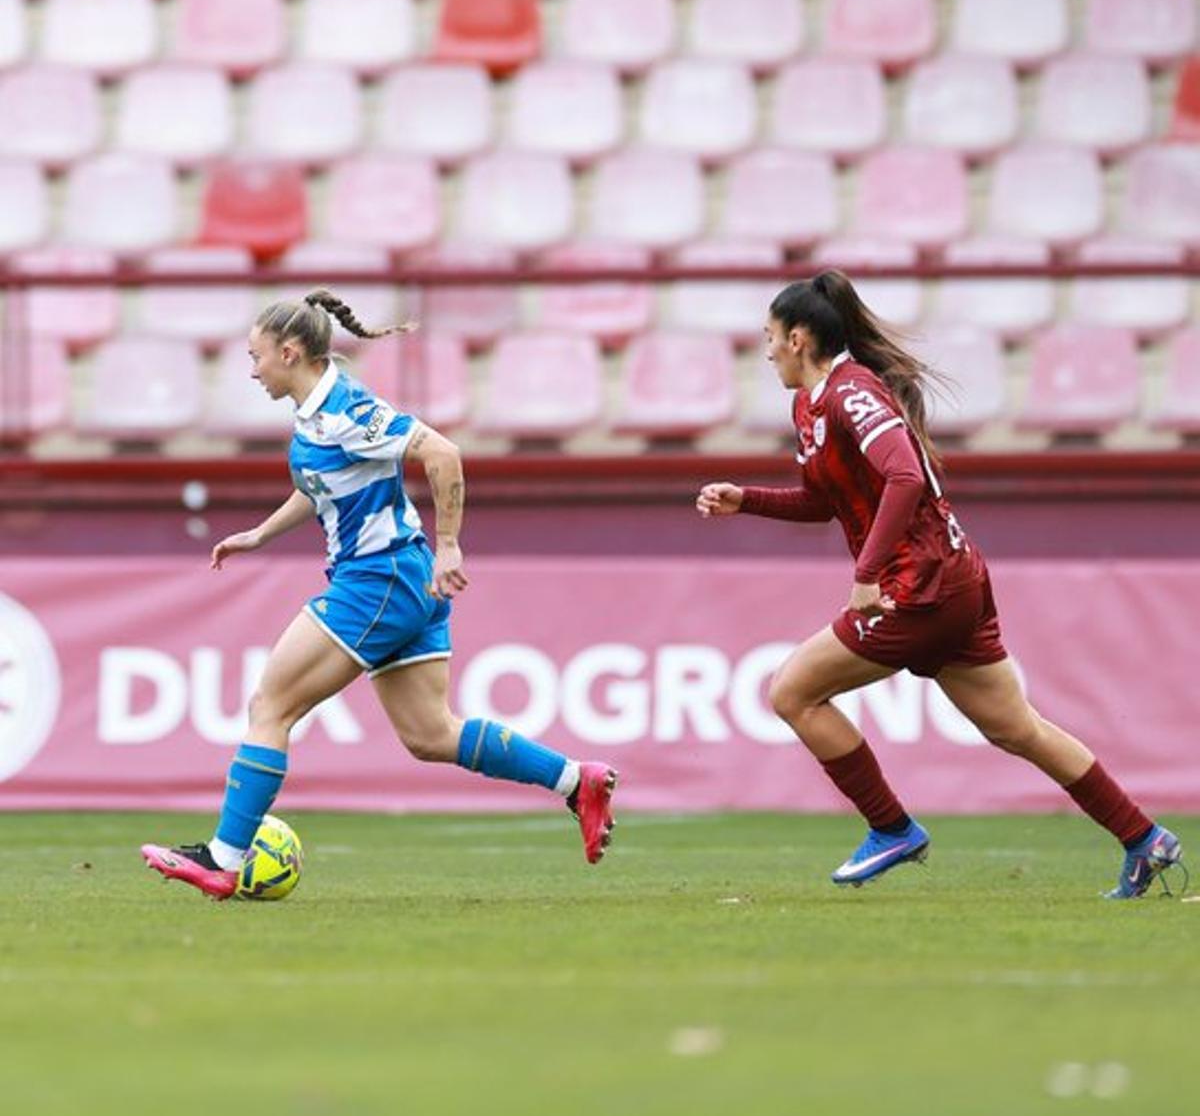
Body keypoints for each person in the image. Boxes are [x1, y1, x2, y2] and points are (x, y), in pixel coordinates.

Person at [696, 270, 1183, 899]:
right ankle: (1144, 839)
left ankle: (892, 828)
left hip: (917, 585)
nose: (764, 352)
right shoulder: (811, 403)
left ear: (797, 337)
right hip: (952, 581)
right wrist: (748, 500)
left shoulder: (852, 393)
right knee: (1018, 729)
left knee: (792, 692)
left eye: (768, 337)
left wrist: (868, 575)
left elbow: (906, 479)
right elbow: (826, 501)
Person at [142, 292, 616, 898]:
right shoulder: (317, 412)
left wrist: (450, 545)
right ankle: (579, 782)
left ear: (290, 352)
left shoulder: (346, 408)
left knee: (271, 705)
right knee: (430, 734)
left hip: (378, 578)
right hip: (398, 577)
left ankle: (225, 858)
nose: (252, 368)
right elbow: (321, 487)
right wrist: (259, 534)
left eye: (256, 356)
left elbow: (442, 453)